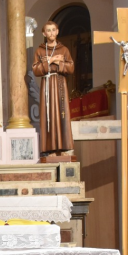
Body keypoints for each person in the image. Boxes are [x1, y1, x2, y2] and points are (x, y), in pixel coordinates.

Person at [31, 21, 75, 155]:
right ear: (44, 33)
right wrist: (50, 61)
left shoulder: (64, 49)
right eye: (48, 30)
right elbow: (36, 69)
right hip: (47, 84)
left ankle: (64, 147)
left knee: (62, 113)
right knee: (48, 113)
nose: (51, 33)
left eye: (53, 30)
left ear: (57, 32)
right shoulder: (40, 50)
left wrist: (58, 62)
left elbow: (71, 67)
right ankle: (49, 148)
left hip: (60, 83)